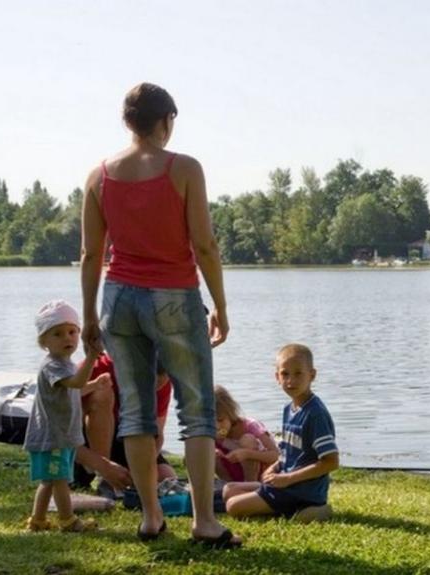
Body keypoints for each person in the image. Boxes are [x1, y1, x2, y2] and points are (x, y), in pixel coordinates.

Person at [80, 82, 240, 547]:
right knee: (198, 411)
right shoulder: (184, 168)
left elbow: (92, 254)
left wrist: (90, 315)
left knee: (135, 411)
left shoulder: (99, 175)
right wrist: (222, 307)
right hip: (173, 293)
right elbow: (205, 245)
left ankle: (151, 518)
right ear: (166, 120)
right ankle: (205, 523)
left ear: (128, 123)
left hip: (119, 299)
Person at [223, 344, 339, 523]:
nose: (291, 380)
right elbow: (288, 452)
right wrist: (275, 467)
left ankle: (309, 509)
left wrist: (287, 478)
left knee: (233, 506)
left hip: (301, 490)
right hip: (284, 483)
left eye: (298, 373)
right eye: (285, 374)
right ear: (277, 377)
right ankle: (292, 510)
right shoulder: (289, 409)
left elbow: (330, 462)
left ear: (312, 375)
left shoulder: (315, 414)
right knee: (228, 489)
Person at [24, 300, 108, 532]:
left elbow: (76, 388)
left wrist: (94, 385)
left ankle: (38, 521)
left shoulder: (66, 364)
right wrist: (92, 358)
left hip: (62, 435)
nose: (67, 338)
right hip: (53, 436)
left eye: (72, 332)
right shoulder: (53, 366)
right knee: (59, 479)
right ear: (44, 342)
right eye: (58, 334)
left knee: (51, 480)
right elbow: (75, 382)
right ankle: (68, 521)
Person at [75, 354, 178, 497]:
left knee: (165, 477)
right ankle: (103, 479)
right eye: (146, 385)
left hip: (125, 436)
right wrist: (103, 466)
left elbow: (157, 433)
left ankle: (119, 481)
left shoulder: (163, 380)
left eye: (158, 385)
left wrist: (141, 470)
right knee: (102, 394)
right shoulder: (96, 369)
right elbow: (57, 435)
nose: (150, 392)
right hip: (78, 447)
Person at [214, 385, 279, 482]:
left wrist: (248, 454)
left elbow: (276, 456)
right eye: (212, 422)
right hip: (233, 472)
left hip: (261, 472)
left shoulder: (251, 426)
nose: (217, 427)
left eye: (221, 420)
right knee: (208, 448)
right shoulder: (214, 431)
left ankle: (250, 484)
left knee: (247, 439)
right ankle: (227, 483)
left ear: (230, 413)